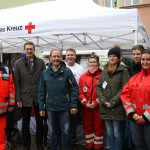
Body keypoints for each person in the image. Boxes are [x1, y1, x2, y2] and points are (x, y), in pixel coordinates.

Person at [38, 49, 78, 150]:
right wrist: (41, 108)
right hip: (50, 107)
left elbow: (74, 88)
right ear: (50, 58)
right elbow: (41, 91)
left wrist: (73, 105)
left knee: (66, 131)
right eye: (54, 56)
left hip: (64, 107)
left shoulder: (67, 72)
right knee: (53, 132)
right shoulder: (44, 73)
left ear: (61, 57)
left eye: (58, 56)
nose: (56, 58)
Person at [96, 45, 130, 150]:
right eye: (110, 55)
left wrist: (112, 102)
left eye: (114, 56)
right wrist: (103, 100)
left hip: (117, 108)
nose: (112, 58)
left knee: (117, 132)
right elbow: (99, 86)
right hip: (105, 107)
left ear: (119, 58)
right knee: (110, 132)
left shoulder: (123, 70)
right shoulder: (105, 69)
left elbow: (124, 89)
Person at [14, 41, 46, 150]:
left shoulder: (41, 62)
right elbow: (17, 83)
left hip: (38, 97)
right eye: (27, 49)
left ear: (34, 49)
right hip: (24, 97)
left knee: (40, 123)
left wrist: (44, 97)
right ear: (24, 50)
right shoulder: (18, 64)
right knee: (25, 124)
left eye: (31, 49)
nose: (29, 51)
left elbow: (44, 80)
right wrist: (18, 98)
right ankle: (26, 145)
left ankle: (39, 144)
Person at [120, 49, 150, 150]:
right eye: (143, 59)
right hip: (135, 120)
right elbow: (124, 96)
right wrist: (133, 114)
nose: (145, 62)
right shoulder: (134, 78)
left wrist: (145, 117)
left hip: (148, 121)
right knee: (139, 146)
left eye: (148, 59)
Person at [78, 55, 105, 150]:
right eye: (90, 62)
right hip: (86, 108)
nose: (92, 64)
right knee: (87, 127)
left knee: (99, 127)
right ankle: (89, 146)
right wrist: (85, 103)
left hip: (98, 108)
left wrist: (96, 102)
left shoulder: (103, 76)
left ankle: (98, 147)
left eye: (94, 62)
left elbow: (105, 92)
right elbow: (80, 92)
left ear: (98, 63)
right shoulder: (82, 77)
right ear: (88, 63)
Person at [125, 44, 144, 150]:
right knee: (134, 139)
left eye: (138, 54)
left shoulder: (145, 68)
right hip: (132, 108)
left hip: (145, 110)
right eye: (134, 54)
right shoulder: (129, 69)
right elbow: (126, 90)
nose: (136, 56)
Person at [65, 48, 85, 149]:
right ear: (65, 56)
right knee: (64, 125)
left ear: (75, 56)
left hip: (75, 101)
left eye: (72, 55)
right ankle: (64, 145)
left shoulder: (81, 68)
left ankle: (72, 145)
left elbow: (83, 86)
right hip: (63, 102)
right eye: (68, 55)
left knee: (73, 125)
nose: (70, 57)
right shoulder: (61, 66)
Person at [0, 62, 15, 150]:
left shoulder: (8, 71)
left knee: (1, 132)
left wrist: (11, 104)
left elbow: (12, 88)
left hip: (3, 110)